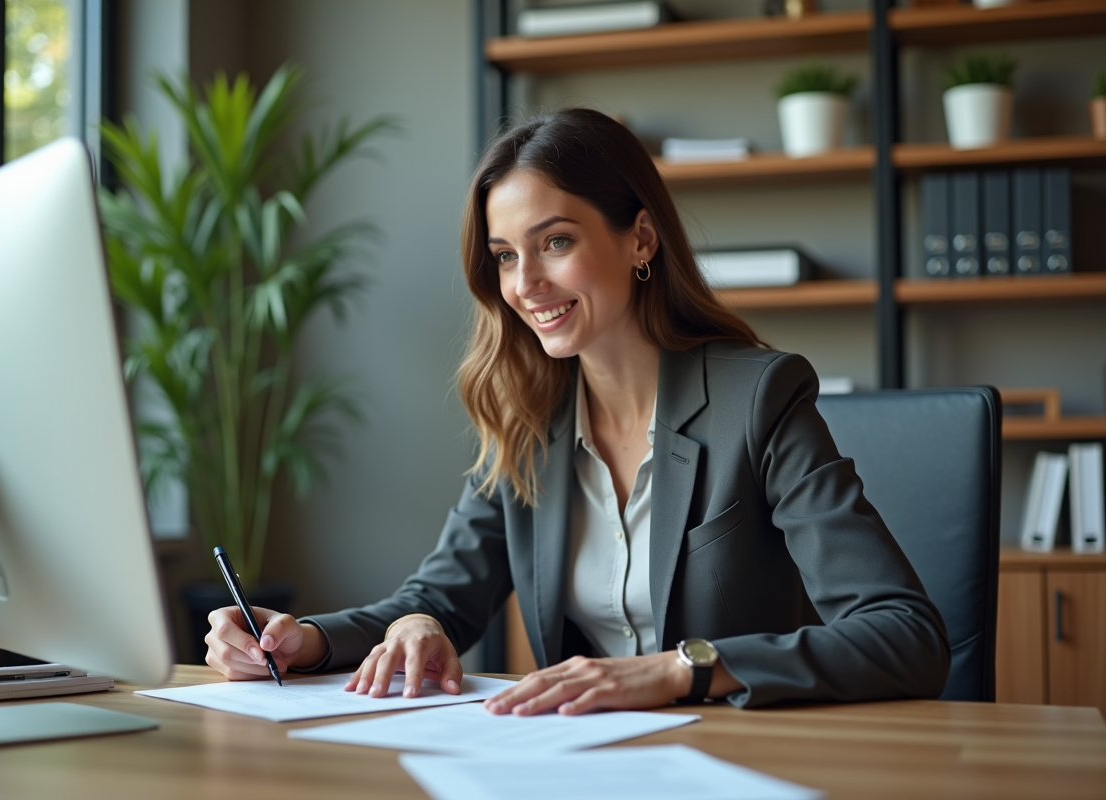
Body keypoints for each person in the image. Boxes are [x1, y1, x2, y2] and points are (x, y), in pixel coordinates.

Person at [204, 108, 950, 714]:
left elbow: (906, 635)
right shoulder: (528, 413)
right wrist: (303, 640)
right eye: (503, 255)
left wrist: (678, 671)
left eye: (554, 242)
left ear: (641, 240)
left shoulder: (760, 399)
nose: (526, 284)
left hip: (737, 761)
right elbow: (440, 596)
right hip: (581, 764)